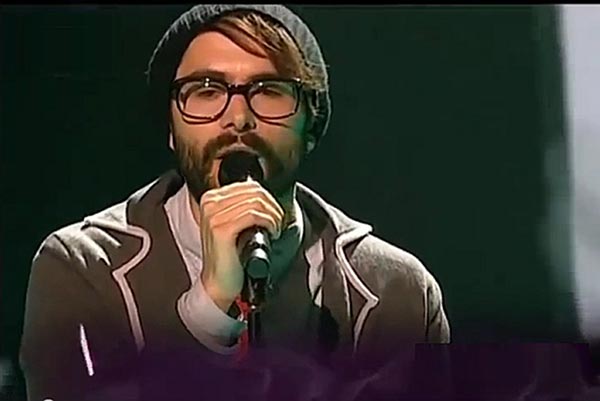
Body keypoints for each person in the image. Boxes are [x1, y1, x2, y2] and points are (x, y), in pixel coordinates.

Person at [19, 4, 450, 401]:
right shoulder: (82, 269)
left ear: (312, 125)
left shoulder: (398, 293)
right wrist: (208, 311)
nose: (238, 118)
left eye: (269, 90)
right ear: (171, 127)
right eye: (206, 90)